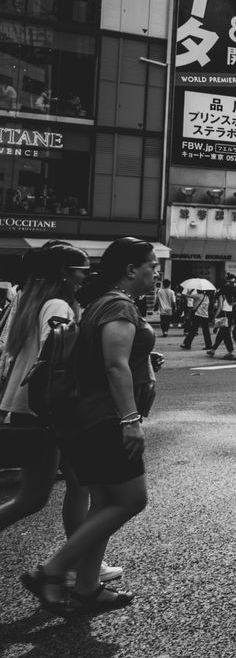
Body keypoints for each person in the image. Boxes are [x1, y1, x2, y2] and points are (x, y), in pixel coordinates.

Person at [20, 237, 158, 613]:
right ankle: (54, 569)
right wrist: (131, 420)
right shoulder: (118, 305)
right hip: (104, 418)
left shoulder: (100, 303)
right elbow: (114, 364)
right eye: (151, 265)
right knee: (131, 499)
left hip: (85, 418)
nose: (156, 271)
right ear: (131, 270)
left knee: (104, 501)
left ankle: (86, 587)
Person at [0, 245, 127, 588]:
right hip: (52, 411)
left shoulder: (26, 302)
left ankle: (82, 560)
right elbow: (58, 353)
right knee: (80, 488)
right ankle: (83, 563)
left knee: (39, 496)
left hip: (26, 407)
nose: (86, 275)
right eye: (81, 270)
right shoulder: (57, 306)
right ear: (64, 274)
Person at [179, 283, 213, 350]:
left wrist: (190, 290)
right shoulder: (206, 297)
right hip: (205, 315)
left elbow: (187, 295)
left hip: (198, 315)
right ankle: (209, 345)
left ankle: (187, 344)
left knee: (192, 330)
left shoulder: (197, 296)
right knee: (206, 331)